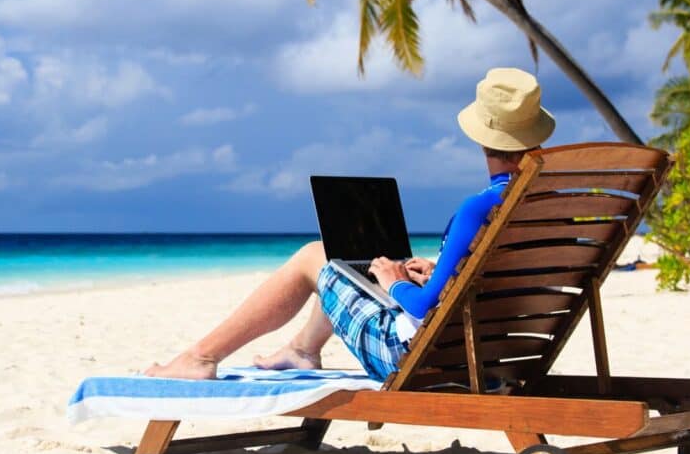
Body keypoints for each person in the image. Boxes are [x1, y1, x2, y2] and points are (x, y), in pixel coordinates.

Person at [146, 67, 556, 380]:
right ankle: (302, 350)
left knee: (315, 257)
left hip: (418, 356)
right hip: (496, 352)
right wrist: (442, 273)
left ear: (482, 136)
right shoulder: (547, 205)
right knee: (350, 264)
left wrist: (393, 281)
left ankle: (200, 358)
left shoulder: (479, 208)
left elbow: (424, 307)